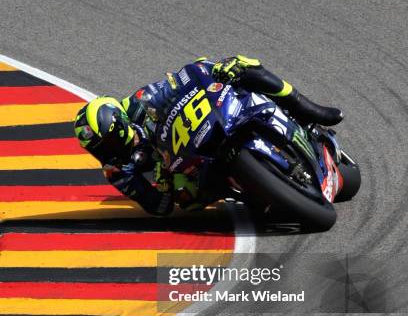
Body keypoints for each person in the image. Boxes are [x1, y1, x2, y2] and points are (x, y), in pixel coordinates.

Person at [74, 55, 343, 215]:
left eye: (106, 141)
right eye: (97, 148)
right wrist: (162, 187)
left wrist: (207, 69)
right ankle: (253, 189)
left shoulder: (136, 103)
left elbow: (175, 85)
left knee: (242, 66)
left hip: (197, 128)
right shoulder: (116, 171)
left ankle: (309, 110)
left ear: (118, 124)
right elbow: (158, 207)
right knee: (188, 199)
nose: (105, 151)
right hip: (185, 175)